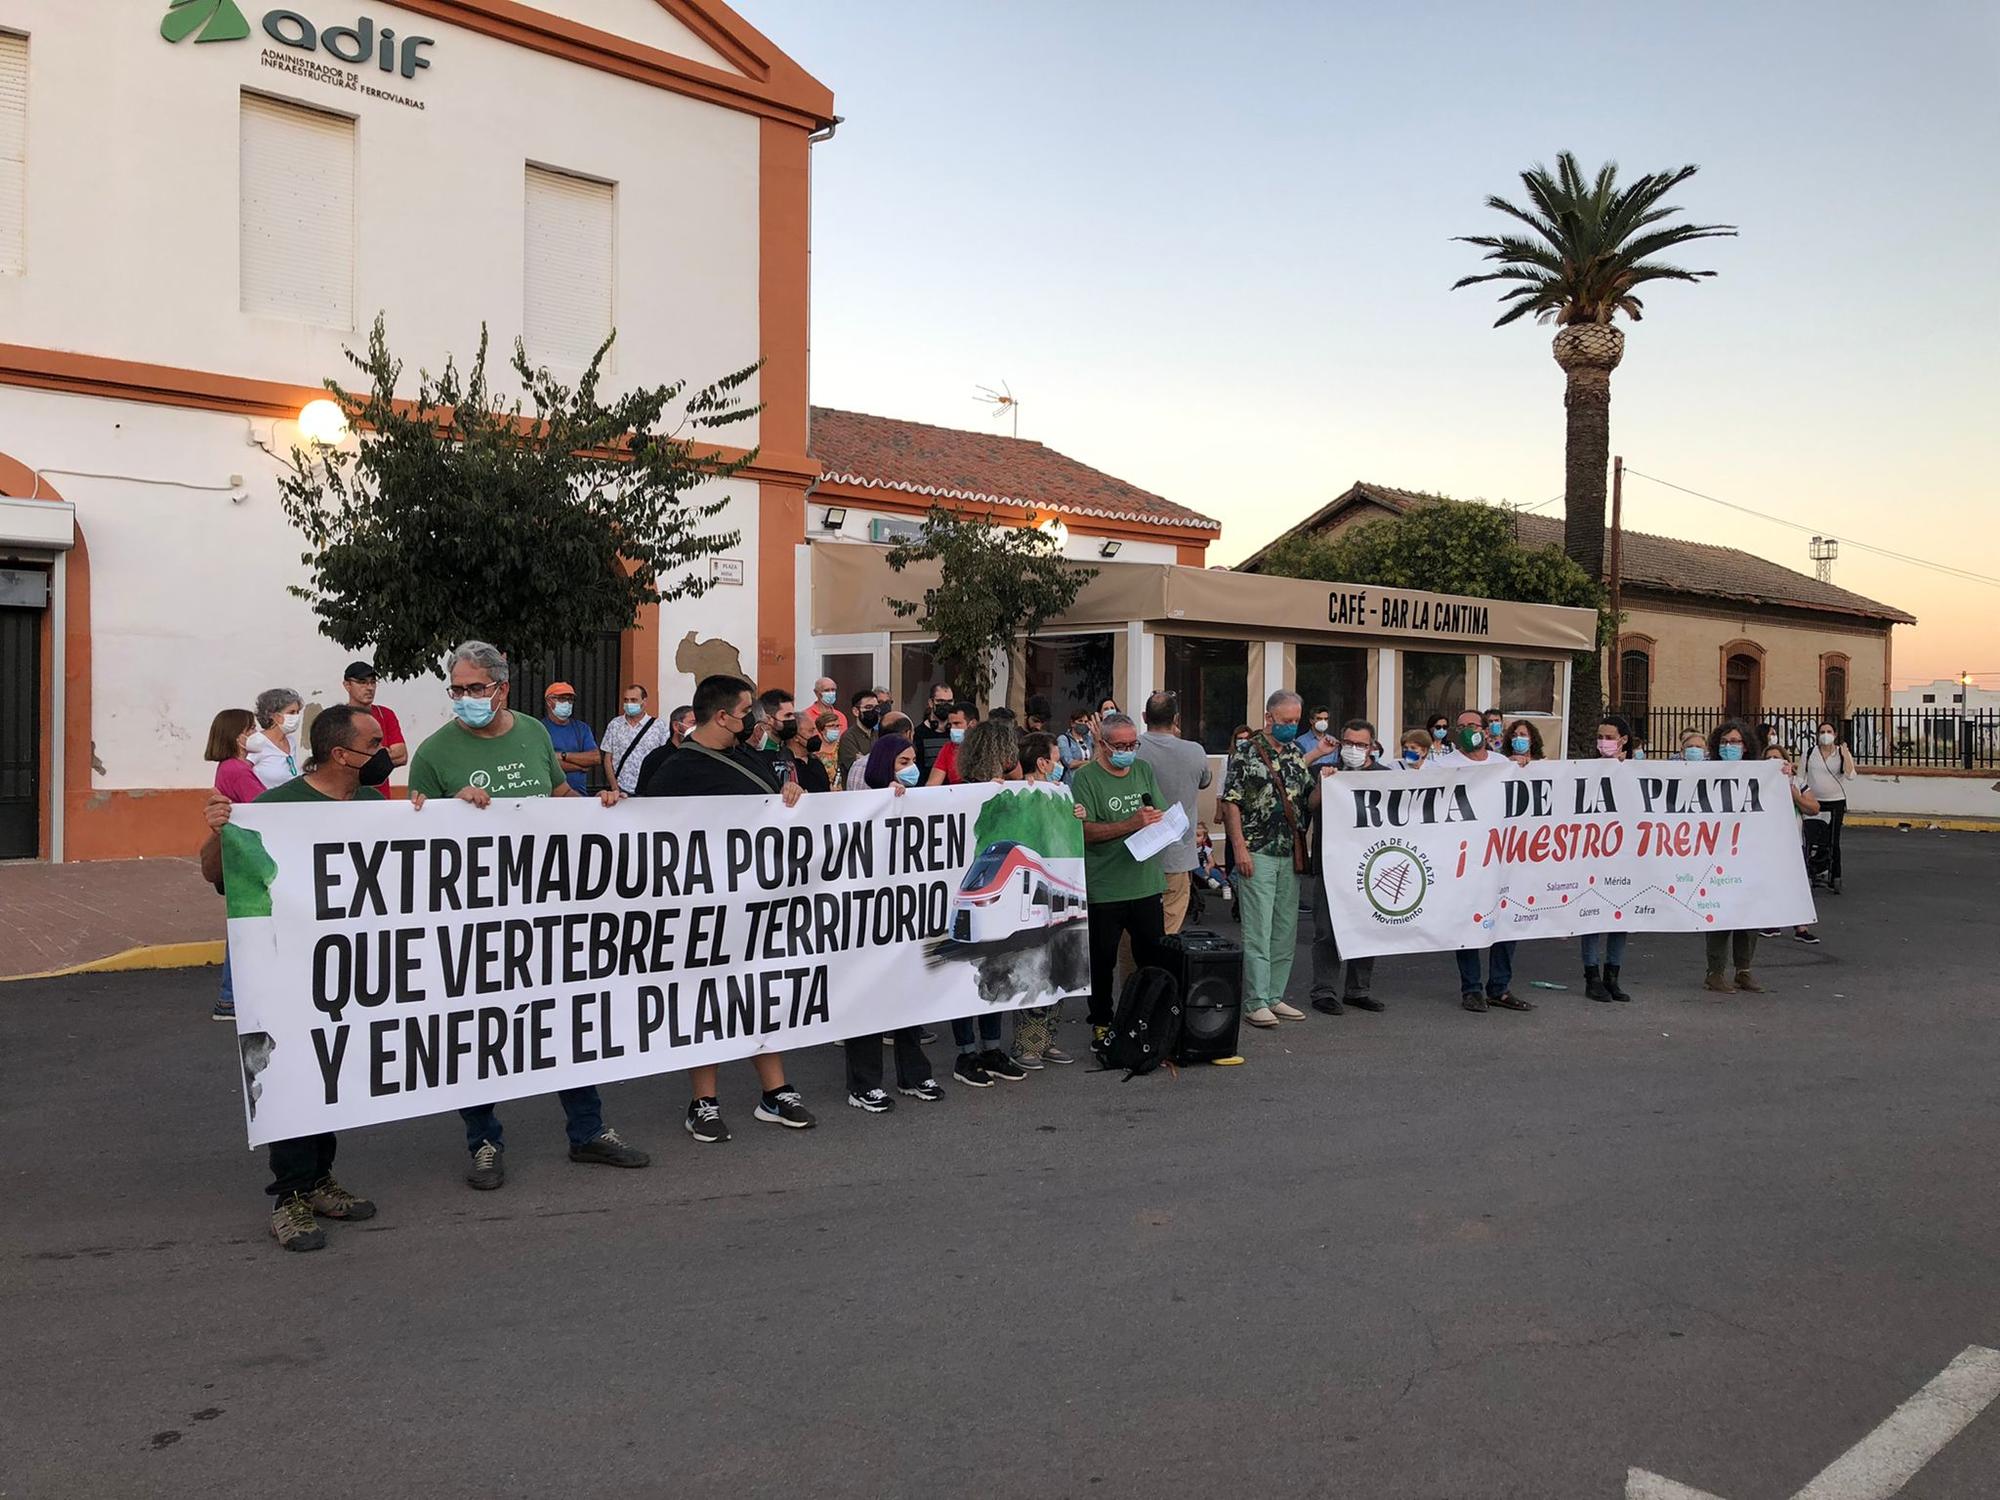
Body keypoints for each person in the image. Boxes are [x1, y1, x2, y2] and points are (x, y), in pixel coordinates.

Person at [408, 642, 650, 1188]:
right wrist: (450, 809)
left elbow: (559, 791)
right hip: (477, 919)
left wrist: (597, 806)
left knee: (569, 1020)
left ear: (503, 689)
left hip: (550, 910)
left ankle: (588, 1132)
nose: (466, 699)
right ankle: (484, 1140)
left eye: (476, 688)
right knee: (480, 1029)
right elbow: (412, 835)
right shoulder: (434, 752)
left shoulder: (535, 734)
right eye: (458, 690)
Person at [199, 704, 394, 1252]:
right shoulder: (276, 806)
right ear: (341, 753)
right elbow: (218, 874)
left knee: (330, 1072)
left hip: (349, 969)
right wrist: (221, 831)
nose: (384, 751)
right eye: (374, 743)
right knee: (290, 1074)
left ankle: (318, 1180)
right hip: (287, 967)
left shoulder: (374, 805)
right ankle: (289, 1197)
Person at [636, 674, 818, 1141]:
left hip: (754, 904)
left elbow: (766, 809)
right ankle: (703, 1102)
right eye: (744, 713)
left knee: (759, 991)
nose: (750, 720)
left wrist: (788, 800)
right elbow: (644, 831)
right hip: (699, 906)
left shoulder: (748, 758)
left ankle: (775, 1093)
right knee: (702, 1000)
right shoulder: (672, 768)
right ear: (721, 716)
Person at [843, 734, 945, 1110]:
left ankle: (914, 1074)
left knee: (910, 996)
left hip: (908, 915)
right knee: (868, 999)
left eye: (913, 759)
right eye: (902, 761)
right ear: (884, 764)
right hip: (867, 920)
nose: (911, 767)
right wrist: (880, 802)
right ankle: (863, 1083)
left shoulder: (920, 800)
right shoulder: (857, 805)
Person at [942, 722, 1035, 1085]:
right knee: (967, 976)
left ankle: (991, 1050)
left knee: (997, 971)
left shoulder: (1012, 795)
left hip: (997, 901)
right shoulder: (958, 795)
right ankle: (967, 1055)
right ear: (1002, 753)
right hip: (969, 898)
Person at [1070, 711, 1169, 1052]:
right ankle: (1101, 1022)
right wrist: (1131, 824)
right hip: (1105, 887)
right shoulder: (1085, 779)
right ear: (1102, 745)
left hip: (1146, 882)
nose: (1129, 751)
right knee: (1101, 961)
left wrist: (1166, 823)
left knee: (1153, 957)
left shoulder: (1142, 769)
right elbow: (1084, 832)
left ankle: (1148, 1018)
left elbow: (1156, 810)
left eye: (1133, 744)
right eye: (1121, 745)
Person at [1220, 691, 1315, 1028]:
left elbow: (1307, 797)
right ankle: (1256, 1000)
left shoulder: (1295, 753)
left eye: (1295, 721)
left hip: (1290, 851)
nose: (1291, 726)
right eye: (1286, 720)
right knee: (1258, 929)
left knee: (1285, 929)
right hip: (1257, 849)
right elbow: (1231, 802)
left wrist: (1330, 782)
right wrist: (1239, 848)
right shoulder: (1246, 752)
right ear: (1269, 716)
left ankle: (1275, 995)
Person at [1438, 709, 1531, 1014]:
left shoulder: (1501, 764)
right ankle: (1472, 988)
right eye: (1461, 726)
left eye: (1473, 726)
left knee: (1505, 920)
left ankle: (1499, 987)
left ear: (1485, 729)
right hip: (1465, 855)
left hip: (1501, 854)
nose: (1468, 731)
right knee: (1467, 920)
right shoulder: (1444, 765)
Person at [1307, 719, 1384, 1016]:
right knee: (1326, 929)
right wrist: (1324, 784)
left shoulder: (1384, 777)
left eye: (1361, 744)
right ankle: (1324, 990)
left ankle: (1358, 990)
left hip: (1371, 865)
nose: (1354, 749)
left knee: (1367, 927)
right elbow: (1310, 806)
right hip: (1331, 864)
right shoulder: (1325, 772)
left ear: (1372, 747)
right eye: (1349, 743)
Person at [202, 708, 263, 1022]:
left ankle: (230, 998)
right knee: (245, 925)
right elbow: (264, 806)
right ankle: (229, 998)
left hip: (236, 852)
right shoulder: (237, 770)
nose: (255, 734)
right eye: (249, 729)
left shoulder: (230, 768)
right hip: (245, 854)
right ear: (235, 736)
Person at [1136, 691, 1212, 937]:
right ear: (1176, 719)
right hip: (1177, 853)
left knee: (1134, 929)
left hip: (1137, 851)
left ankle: (1132, 976)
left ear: (1144, 716)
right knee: (1169, 925)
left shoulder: (1132, 748)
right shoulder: (1195, 751)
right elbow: (1204, 782)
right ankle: (1162, 973)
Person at [1702, 719, 1766, 994]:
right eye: (1725, 742)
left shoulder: (1761, 774)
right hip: (1717, 852)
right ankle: (1715, 972)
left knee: (1749, 914)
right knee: (1719, 913)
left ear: (1746, 746)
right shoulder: (1707, 773)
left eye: (1736, 742)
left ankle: (1744, 970)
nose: (1730, 747)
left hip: (1749, 853)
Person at [1580, 714, 1635, 1002]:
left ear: (1623, 739)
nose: (1603, 742)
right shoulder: (1585, 767)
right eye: (1600, 736)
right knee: (1591, 916)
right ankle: (1592, 976)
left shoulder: (1636, 769)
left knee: (1619, 916)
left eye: (1609, 737)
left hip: (1623, 854)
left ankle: (1613, 975)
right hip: (1593, 853)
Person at [1769, 742, 1824, 945]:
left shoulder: (1797, 782)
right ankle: (1771, 921)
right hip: (1767, 842)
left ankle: (1801, 926)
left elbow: (1813, 807)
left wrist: (1795, 797)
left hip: (1792, 841)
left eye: (1777, 758)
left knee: (1796, 882)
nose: (1772, 762)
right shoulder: (1759, 784)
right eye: (1768, 759)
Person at [1798, 720, 1854, 892]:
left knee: (1833, 840)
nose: (1825, 734)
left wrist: (1845, 753)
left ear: (1835, 734)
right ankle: (1810, 870)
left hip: (1835, 801)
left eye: (1829, 731)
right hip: (1814, 802)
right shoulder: (1809, 753)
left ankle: (1835, 874)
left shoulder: (1841, 753)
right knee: (1811, 838)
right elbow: (1801, 777)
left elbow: (1851, 774)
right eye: (1822, 731)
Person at [599, 683, 672, 797]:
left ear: (644, 701)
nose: (629, 704)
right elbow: (608, 758)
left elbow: (665, 757)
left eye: (633, 700)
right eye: (626, 700)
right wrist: (615, 788)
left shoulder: (659, 726)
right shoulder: (615, 724)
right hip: (622, 791)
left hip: (649, 790)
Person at [342, 660, 406, 768]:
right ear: (347, 685)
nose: (370, 688)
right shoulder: (338, 718)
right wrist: (383, 754)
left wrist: (359, 758)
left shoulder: (385, 714)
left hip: (379, 785)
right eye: (362, 682)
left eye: (373, 682)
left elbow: (401, 756)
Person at [540, 680, 600, 795]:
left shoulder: (582, 728)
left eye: (570, 699)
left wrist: (563, 755)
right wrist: (580, 767)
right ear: (549, 701)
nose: (567, 703)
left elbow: (595, 757)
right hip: (550, 798)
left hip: (579, 796)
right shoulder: (540, 729)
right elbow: (544, 764)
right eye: (562, 699)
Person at [245, 687, 304, 789]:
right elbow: (243, 774)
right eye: (291, 712)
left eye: (297, 712)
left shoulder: (291, 741)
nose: (296, 716)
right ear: (275, 716)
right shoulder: (257, 741)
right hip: (266, 801)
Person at [849, 711, 912, 790]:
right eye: (904, 762)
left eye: (914, 760)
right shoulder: (887, 767)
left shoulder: (857, 764)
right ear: (907, 734)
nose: (911, 766)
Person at [836, 688, 880, 783]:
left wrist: (864, 758)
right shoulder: (848, 738)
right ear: (856, 711)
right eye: (868, 707)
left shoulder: (879, 735)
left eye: (876, 708)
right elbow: (859, 768)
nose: (873, 711)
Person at [913, 683, 957, 776]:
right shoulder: (918, 734)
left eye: (949, 701)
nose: (945, 705)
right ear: (931, 703)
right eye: (940, 701)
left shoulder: (957, 734)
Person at [923, 702, 971, 786]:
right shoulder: (948, 748)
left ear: (972, 724)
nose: (952, 728)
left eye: (957, 724)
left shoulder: (986, 747)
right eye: (950, 724)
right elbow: (933, 783)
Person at [1193, 822, 1231, 901]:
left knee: (1215, 872)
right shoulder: (1189, 850)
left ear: (1204, 838)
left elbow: (1211, 861)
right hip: (1194, 868)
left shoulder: (1206, 849)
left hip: (1205, 867)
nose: (1195, 839)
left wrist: (1208, 867)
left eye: (1198, 836)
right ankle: (1208, 879)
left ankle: (1225, 886)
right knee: (1196, 868)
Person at [1056, 708, 1095, 772]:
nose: (1083, 723)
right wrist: (1089, 763)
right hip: (1072, 779)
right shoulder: (1063, 739)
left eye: (1086, 722)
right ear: (1072, 723)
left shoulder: (1088, 739)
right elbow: (1069, 763)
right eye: (1080, 721)